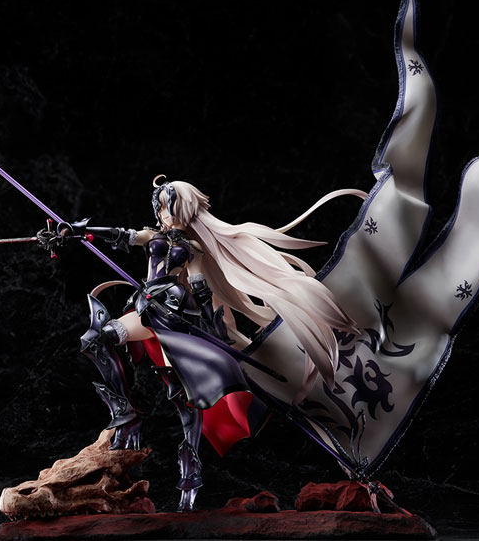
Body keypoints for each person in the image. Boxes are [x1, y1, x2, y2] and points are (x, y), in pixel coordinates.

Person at [51, 176, 366, 511]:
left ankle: (189, 485)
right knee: (96, 339)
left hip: (174, 314)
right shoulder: (153, 236)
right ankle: (126, 413)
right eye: (159, 208)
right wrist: (76, 231)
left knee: (189, 405)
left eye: (167, 207)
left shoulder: (193, 248)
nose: (162, 214)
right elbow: (121, 235)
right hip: (146, 307)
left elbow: (200, 288)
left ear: (183, 208)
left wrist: (212, 328)